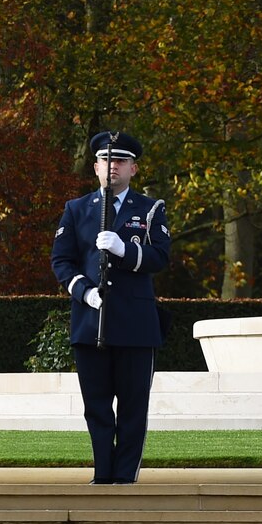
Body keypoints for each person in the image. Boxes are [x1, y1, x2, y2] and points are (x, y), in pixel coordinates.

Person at [49, 131, 172, 484]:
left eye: (119, 161)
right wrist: (84, 292)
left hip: (135, 323)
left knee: (133, 409)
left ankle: (125, 478)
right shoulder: (76, 209)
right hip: (90, 322)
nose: (112, 166)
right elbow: (62, 261)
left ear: (133, 168)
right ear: (95, 167)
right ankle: (102, 476)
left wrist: (124, 250)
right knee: (97, 407)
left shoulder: (150, 209)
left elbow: (161, 256)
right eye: (105, 160)